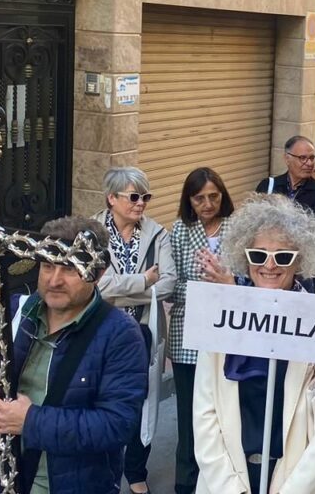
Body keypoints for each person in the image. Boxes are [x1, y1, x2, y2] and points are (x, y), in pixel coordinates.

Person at [0, 216, 147, 494]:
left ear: (97, 273)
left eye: (70, 269)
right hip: (3, 482)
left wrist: (30, 421)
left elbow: (116, 424)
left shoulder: (121, 335)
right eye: (48, 265)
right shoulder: (15, 312)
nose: (55, 280)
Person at [193, 195, 315, 494]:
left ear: (300, 260)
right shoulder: (221, 315)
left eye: (282, 257)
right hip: (229, 481)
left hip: (301, 481)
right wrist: (230, 489)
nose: (269, 265)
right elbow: (205, 412)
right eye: (258, 255)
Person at [94, 166, 177, 494]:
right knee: (103, 401)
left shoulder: (158, 234)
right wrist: (144, 281)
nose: (141, 203)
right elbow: (94, 286)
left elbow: (168, 283)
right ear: (111, 198)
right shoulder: (91, 233)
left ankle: (136, 471)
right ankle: (105, 469)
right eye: (133, 196)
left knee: (141, 400)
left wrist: (119, 287)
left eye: (145, 196)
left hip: (143, 333)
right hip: (101, 333)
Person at [168, 167, 236, 494]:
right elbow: (172, 284)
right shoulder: (181, 230)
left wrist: (227, 285)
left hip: (230, 333)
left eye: (213, 196)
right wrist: (205, 288)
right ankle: (185, 480)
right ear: (189, 201)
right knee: (189, 416)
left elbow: (246, 279)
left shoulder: (238, 229)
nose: (207, 204)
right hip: (188, 335)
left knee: (223, 412)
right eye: (199, 198)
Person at [259, 136, 315, 227]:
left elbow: (314, 225)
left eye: (312, 158)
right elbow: (255, 218)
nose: (309, 163)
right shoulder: (268, 185)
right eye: (302, 158)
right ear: (287, 159)